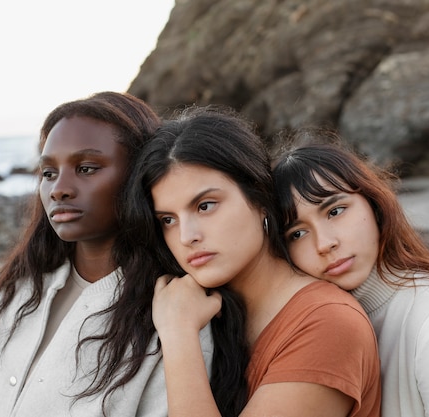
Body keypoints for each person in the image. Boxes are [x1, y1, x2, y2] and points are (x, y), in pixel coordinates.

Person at [0, 92, 241, 416]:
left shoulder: (173, 313)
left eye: (87, 168)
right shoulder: (19, 290)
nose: (59, 188)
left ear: (137, 174)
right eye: (49, 173)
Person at [123, 106, 382, 417]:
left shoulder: (327, 324)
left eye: (205, 206)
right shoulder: (211, 309)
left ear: (259, 199)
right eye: (168, 219)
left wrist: (178, 332)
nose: (186, 236)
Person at [271, 130, 429, 417]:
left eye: (335, 211)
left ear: (375, 206)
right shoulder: (324, 326)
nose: (324, 244)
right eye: (297, 233)